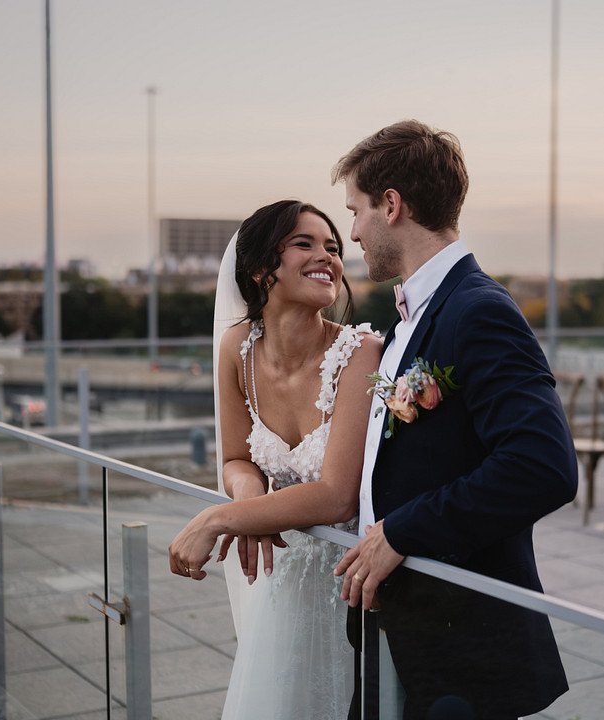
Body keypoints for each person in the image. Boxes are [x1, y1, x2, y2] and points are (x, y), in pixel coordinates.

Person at [332, 120, 579, 719]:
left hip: (463, 642)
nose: (354, 231)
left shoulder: (479, 311)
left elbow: (543, 468)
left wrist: (402, 531)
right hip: (401, 629)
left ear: (392, 205)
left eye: (357, 211)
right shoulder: (409, 319)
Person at [167, 200, 382, 720]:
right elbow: (237, 458)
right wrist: (250, 500)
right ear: (263, 269)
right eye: (304, 244)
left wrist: (220, 519)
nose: (327, 256)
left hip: (352, 581)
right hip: (283, 581)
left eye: (332, 246)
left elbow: (336, 495)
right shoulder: (236, 348)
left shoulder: (361, 354)